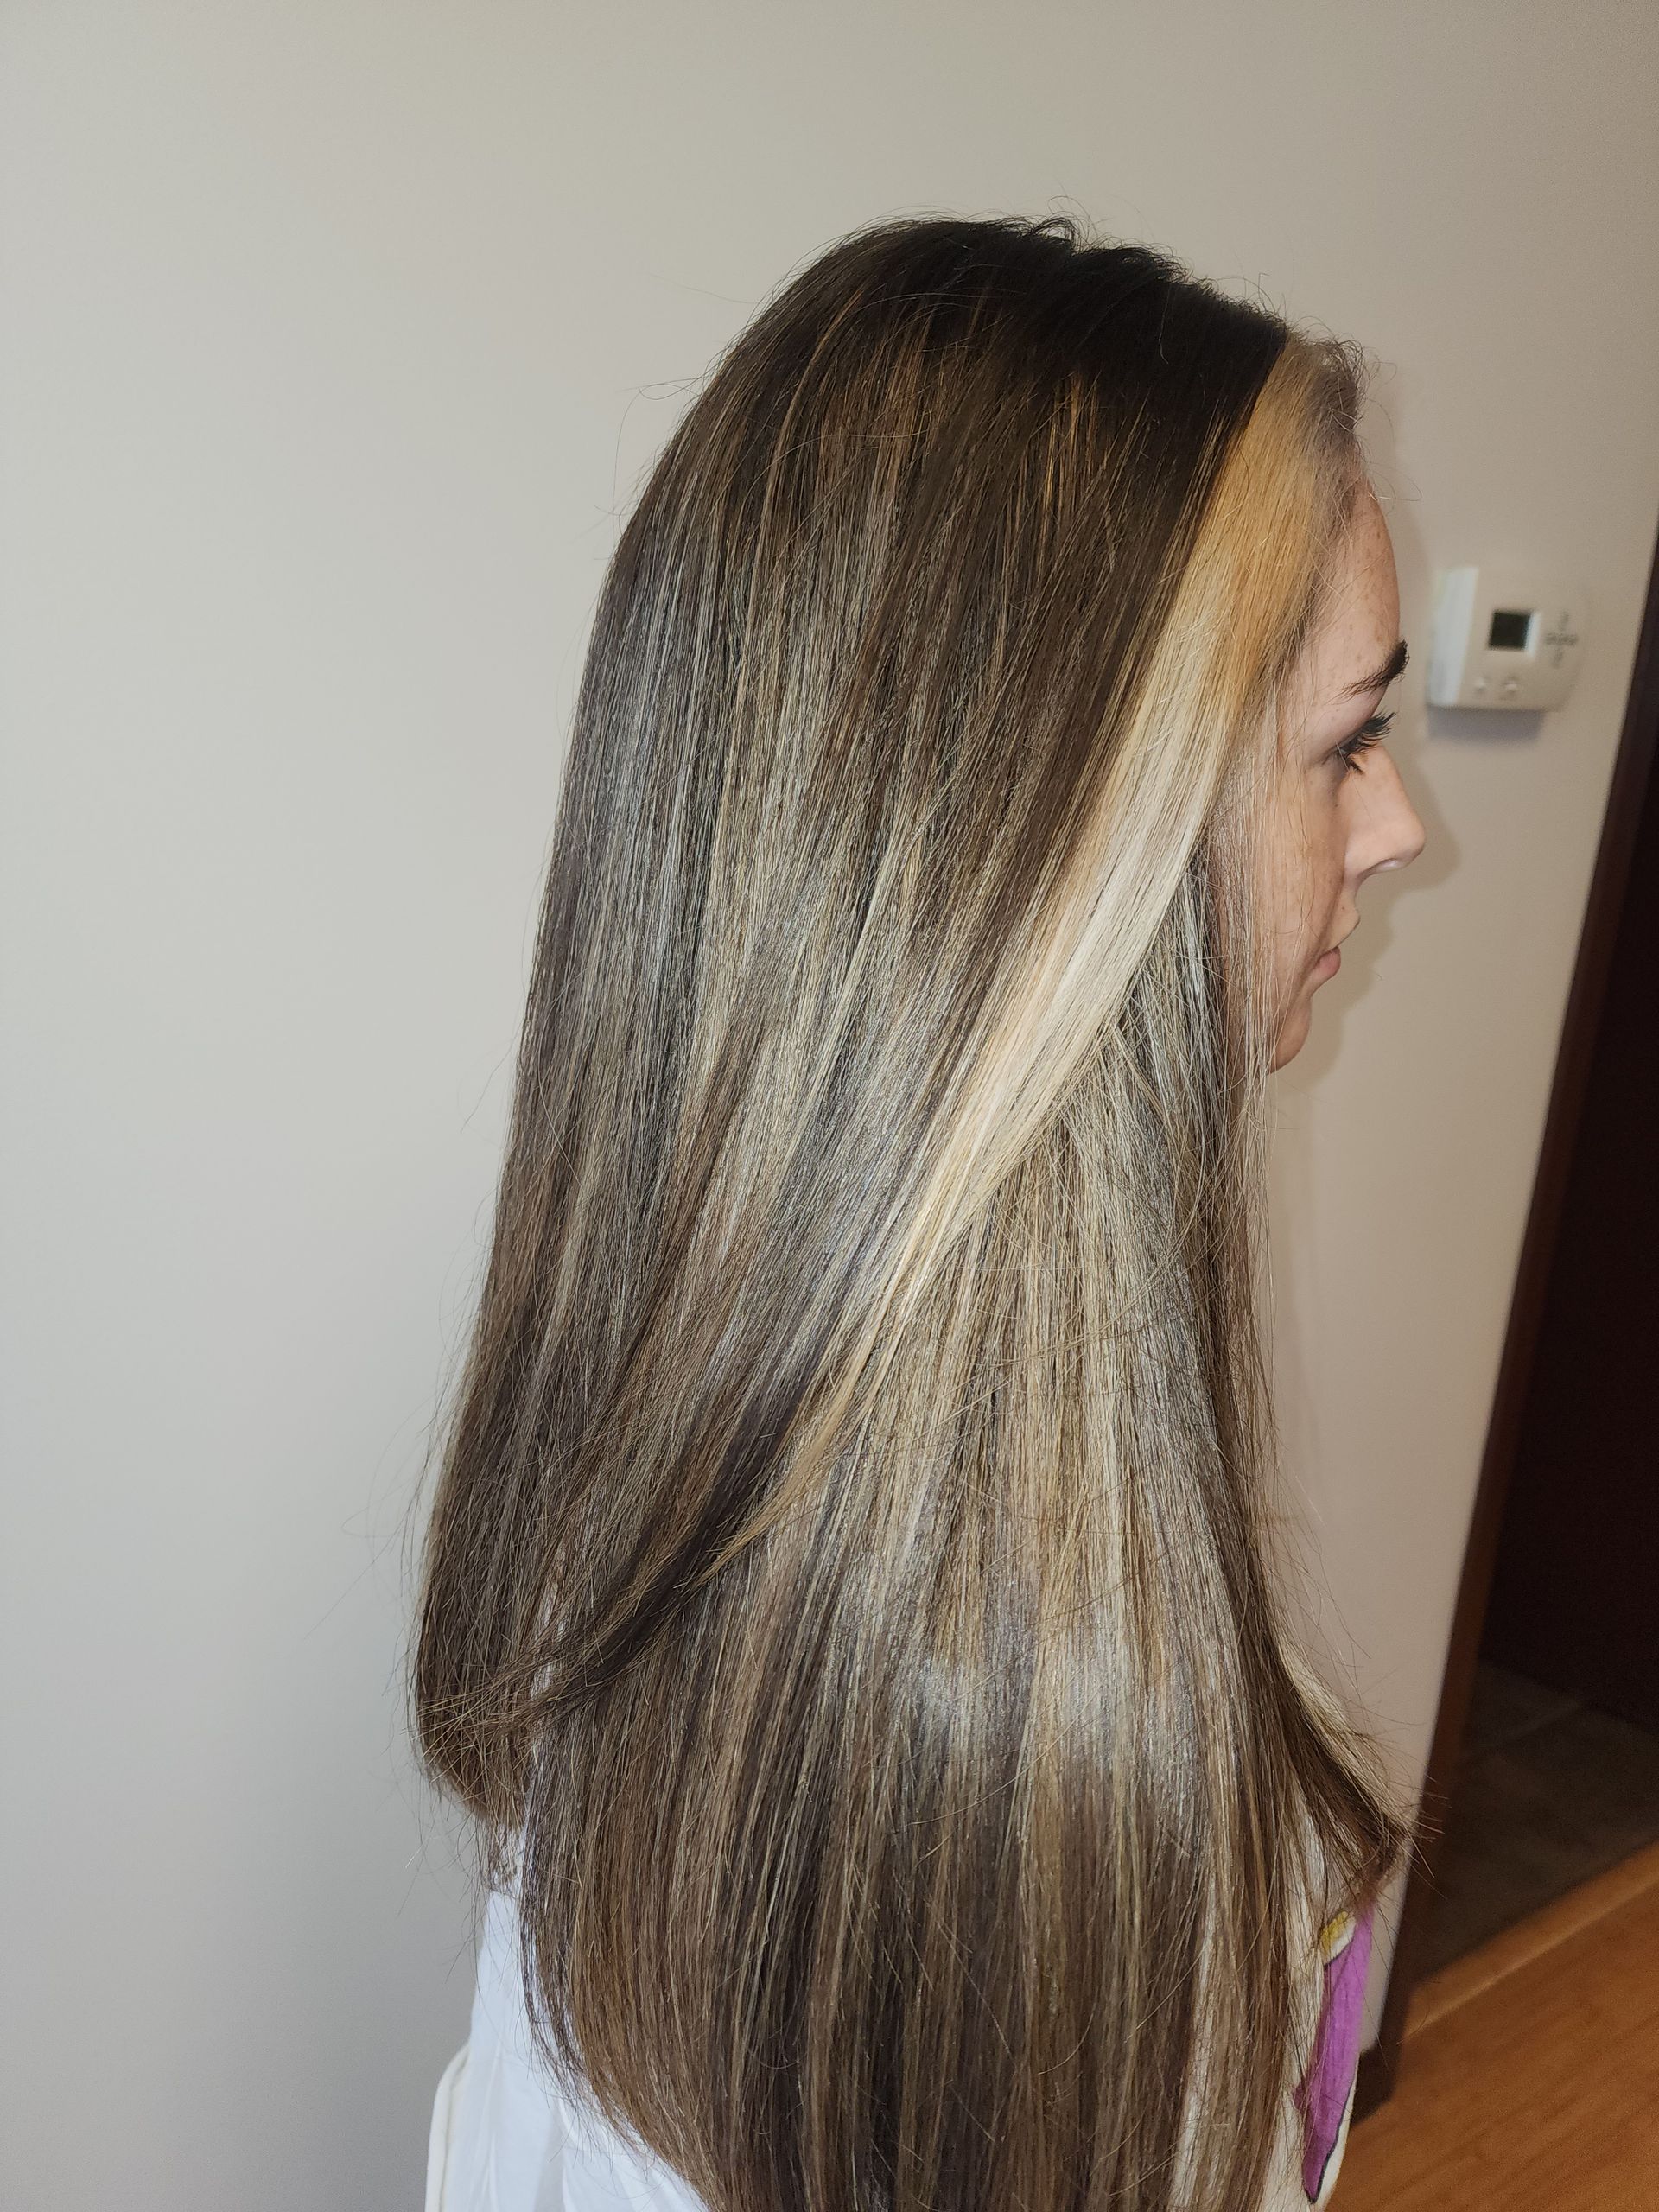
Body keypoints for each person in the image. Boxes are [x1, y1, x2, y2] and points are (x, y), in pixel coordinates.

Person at [410, 211, 1428, 2212]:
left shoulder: (675, 1472)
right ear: (1061, 868)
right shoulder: (1017, 1769)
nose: (1399, 826)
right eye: (1349, 742)